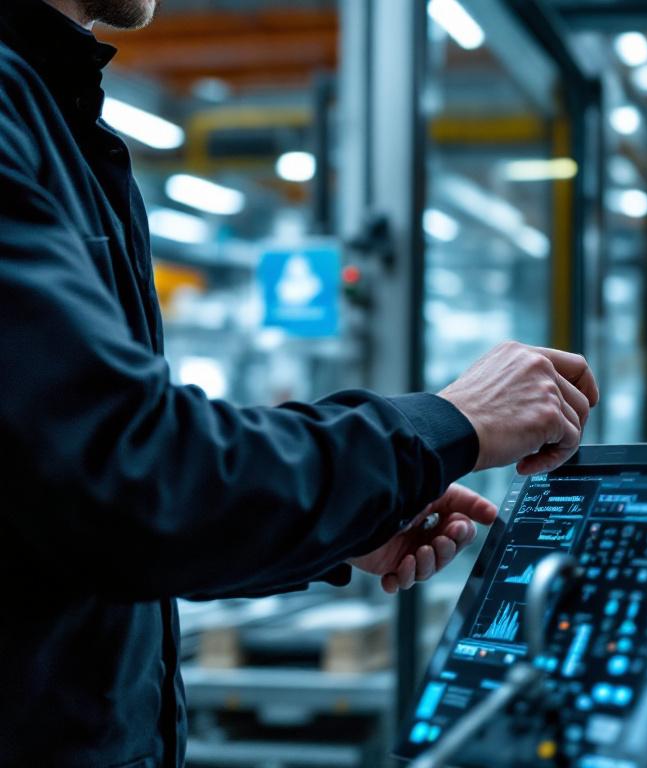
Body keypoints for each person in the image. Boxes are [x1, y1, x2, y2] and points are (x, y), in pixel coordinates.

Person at [0, 0, 600, 764]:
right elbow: (131, 474)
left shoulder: (58, 119)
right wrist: (447, 422)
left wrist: (350, 520)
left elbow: (89, 519)